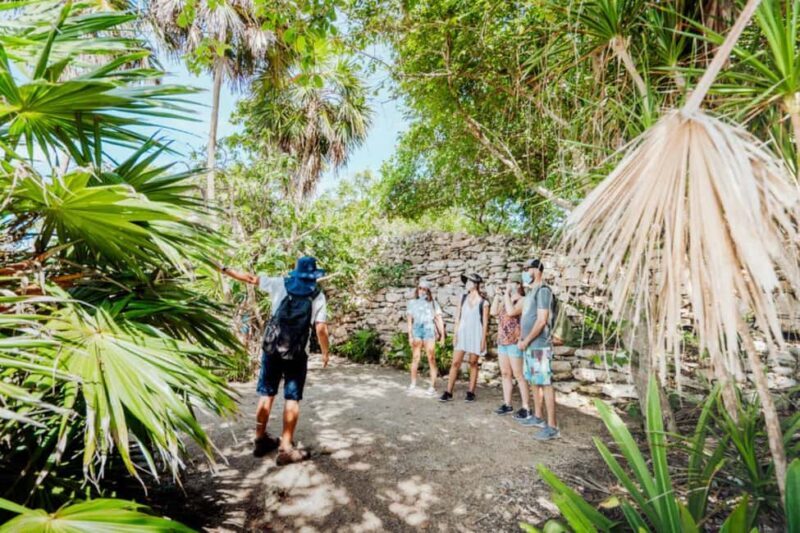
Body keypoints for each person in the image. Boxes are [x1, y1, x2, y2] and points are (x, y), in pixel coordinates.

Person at [218, 256, 330, 463]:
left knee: (266, 394)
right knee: (292, 397)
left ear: (295, 272)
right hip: (297, 353)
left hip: (272, 348)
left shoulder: (280, 283)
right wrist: (325, 352)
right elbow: (320, 328)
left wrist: (224, 269)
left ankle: (260, 440)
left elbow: (250, 278)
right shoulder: (317, 296)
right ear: (314, 275)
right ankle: (286, 448)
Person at [516, 259, 559, 440]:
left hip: (539, 345)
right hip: (529, 345)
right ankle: (538, 417)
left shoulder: (543, 291)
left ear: (537, 270)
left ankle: (552, 426)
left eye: (528, 269)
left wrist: (526, 340)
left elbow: (541, 321)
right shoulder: (532, 291)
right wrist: (522, 338)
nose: (526, 272)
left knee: (546, 384)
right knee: (534, 381)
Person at [440, 273, 489, 403]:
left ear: (475, 284)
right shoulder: (462, 298)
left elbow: (485, 324)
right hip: (462, 333)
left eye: (469, 281)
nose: (466, 284)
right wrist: (455, 335)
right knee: (455, 363)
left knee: (473, 363)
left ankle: (471, 392)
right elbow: (457, 318)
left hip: (476, 334)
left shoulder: (484, 303)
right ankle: (448, 391)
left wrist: (483, 341)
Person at [490, 273, 532, 420]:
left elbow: (511, 312)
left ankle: (526, 407)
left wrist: (507, 295)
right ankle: (507, 404)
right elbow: (493, 312)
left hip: (515, 341)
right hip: (503, 342)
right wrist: (497, 296)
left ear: (519, 285)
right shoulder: (506, 299)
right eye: (508, 282)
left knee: (519, 375)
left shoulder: (524, 300)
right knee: (505, 374)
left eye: (512, 282)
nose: (509, 285)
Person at [406, 279, 445, 395]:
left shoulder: (433, 303)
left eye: (424, 289)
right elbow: (409, 321)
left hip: (429, 329)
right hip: (417, 329)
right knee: (415, 358)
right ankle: (413, 383)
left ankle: (432, 386)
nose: (421, 291)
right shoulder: (412, 303)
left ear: (428, 291)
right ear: (417, 289)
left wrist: (442, 336)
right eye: (420, 288)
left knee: (431, 358)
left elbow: (439, 319)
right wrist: (410, 336)